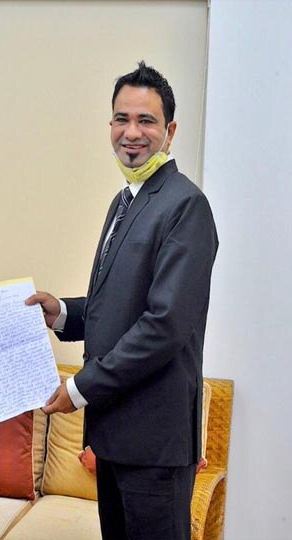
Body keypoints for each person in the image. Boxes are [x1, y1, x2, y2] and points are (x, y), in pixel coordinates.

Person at [26, 61, 218, 540]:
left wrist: (78, 388)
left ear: (170, 132)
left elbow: (163, 325)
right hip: (114, 437)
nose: (132, 133)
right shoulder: (127, 199)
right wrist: (64, 312)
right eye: (121, 119)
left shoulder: (185, 206)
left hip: (154, 445)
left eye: (146, 121)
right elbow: (120, 304)